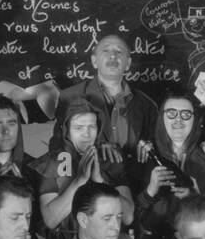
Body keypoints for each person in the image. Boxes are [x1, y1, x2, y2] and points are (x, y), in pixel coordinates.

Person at [133, 89, 205, 239]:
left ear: (195, 119)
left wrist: (196, 198)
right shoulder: (146, 156)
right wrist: (150, 191)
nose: (178, 120)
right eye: (171, 113)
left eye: (186, 114)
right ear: (162, 118)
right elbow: (132, 217)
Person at [34, 98, 134, 239]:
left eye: (91, 127)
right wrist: (80, 180)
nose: (86, 134)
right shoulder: (52, 162)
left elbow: (128, 216)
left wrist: (100, 182)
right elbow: (51, 220)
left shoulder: (110, 159)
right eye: (79, 127)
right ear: (66, 130)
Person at [48, 34, 158, 165]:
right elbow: (58, 146)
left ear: (128, 64)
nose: (113, 56)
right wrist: (96, 148)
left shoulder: (146, 104)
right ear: (94, 61)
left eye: (119, 51)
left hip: (134, 181)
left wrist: (149, 147)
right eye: (106, 50)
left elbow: (157, 144)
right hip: (87, 178)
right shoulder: (70, 96)